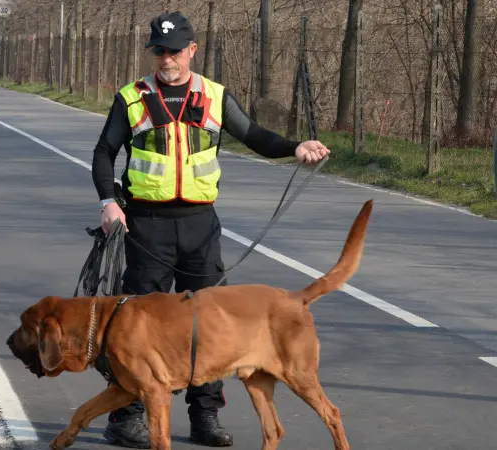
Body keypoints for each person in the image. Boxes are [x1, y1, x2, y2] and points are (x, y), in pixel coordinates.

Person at [90, 11, 330, 449]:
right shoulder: (132, 97)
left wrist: (296, 147)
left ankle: (205, 418)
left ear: (192, 51)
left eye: (175, 51)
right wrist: (109, 203)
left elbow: (254, 135)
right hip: (145, 225)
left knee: (209, 326)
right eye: (160, 52)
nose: (167, 60)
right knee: (136, 326)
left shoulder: (214, 96)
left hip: (200, 226)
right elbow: (104, 152)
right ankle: (127, 417)